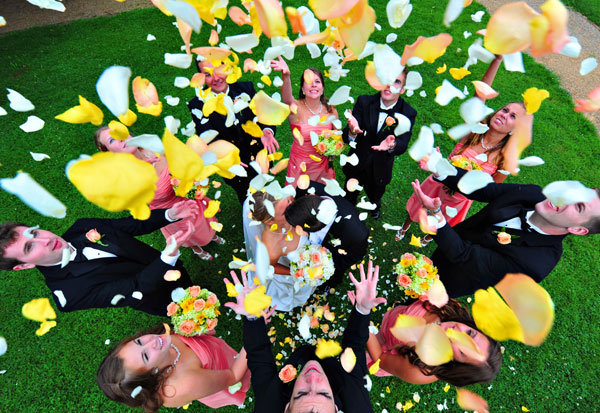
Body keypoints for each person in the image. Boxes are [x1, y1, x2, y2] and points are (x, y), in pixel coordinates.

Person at [224, 261, 386, 413]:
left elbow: (259, 357)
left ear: (287, 407)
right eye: (324, 393)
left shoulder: (269, 406)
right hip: (334, 370)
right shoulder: (356, 404)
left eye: (301, 394)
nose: (313, 377)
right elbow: (354, 347)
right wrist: (362, 310)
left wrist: (252, 317)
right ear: (337, 408)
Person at [410, 168, 600, 297]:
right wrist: (440, 169)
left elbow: (464, 255)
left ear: (578, 230)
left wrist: (435, 214)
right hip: (450, 243)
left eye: (579, 206)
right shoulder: (535, 194)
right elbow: (486, 190)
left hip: (458, 276)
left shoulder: (534, 264)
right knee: (423, 269)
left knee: (424, 297)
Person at [399, 56, 525, 244]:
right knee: (418, 207)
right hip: (437, 184)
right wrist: (497, 60)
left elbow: (492, 191)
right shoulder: (473, 132)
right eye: (504, 110)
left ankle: (426, 238)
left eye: (512, 116)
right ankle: (405, 226)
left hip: (459, 201)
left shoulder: (504, 159)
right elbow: (479, 96)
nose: (504, 115)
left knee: (441, 222)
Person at [0, 205, 195, 315]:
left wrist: (170, 215)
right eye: (29, 247)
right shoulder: (69, 295)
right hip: (160, 297)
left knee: (191, 283)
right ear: (24, 265)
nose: (46, 240)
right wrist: (167, 256)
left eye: (34, 233)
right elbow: (135, 288)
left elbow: (132, 225)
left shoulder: (82, 227)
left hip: (171, 265)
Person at [95, 127, 224, 260]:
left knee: (205, 222)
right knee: (191, 233)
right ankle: (196, 248)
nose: (120, 137)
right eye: (112, 140)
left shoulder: (152, 144)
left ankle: (213, 235)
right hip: (173, 212)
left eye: (119, 131)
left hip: (189, 197)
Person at [188, 55, 279, 204]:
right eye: (208, 74)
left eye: (219, 70)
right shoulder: (198, 104)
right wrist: (227, 160)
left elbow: (262, 115)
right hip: (232, 164)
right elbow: (207, 136)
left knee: (264, 183)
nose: (216, 78)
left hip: (258, 152)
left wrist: (267, 130)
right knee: (246, 195)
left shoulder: (246, 89)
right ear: (201, 78)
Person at [97, 323, 250, 411]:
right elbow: (233, 376)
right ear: (153, 374)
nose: (152, 341)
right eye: (146, 356)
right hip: (226, 371)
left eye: (138, 342)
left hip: (215, 352)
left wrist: (200, 328)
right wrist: (254, 332)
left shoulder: (160, 343)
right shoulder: (185, 384)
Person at [366, 299, 501, 386]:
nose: (457, 330)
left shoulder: (418, 370)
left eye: (462, 349)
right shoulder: (453, 310)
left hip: (378, 348)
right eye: (470, 333)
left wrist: (363, 313)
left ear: (454, 363)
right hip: (391, 320)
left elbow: (379, 357)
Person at [343, 68, 417, 219]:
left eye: (396, 82)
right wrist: (352, 131)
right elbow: (347, 136)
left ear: (402, 89)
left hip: (380, 168)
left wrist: (392, 145)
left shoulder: (408, 113)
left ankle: (375, 206)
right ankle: (348, 207)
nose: (389, 85)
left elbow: (403, 143)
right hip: (357, 162)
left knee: (375, 193)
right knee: (349, 194)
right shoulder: (364, 102)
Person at [243, 191, 325, 311]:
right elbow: (271, 267)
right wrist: (297, 271)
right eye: (284, 212)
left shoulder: (287, 198)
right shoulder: (271, 247)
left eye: (289, 202)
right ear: (270, 221)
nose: (293, 208)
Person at [270, 56, 339, 186]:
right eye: (309, 81)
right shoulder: (295, 107)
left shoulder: (331, 109)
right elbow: (287, 98)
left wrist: (332, 151)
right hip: (300, 166)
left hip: (323, 167)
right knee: (298, 203)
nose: (313, 84)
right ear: (302, 88)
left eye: (317, 82)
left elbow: (337, 138)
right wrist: (286, 76)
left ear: (322, 88)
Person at [289, 181, 369, 288]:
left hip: (337, 254)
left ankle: (330, 283)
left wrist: (326, 267)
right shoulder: (307, 188)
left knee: (335, 273)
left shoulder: (356, 234)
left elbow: (350, 258)